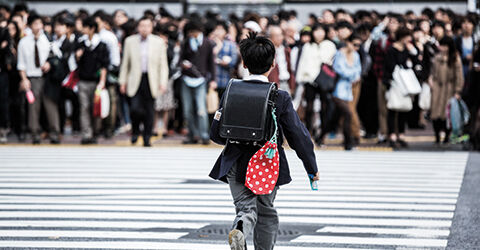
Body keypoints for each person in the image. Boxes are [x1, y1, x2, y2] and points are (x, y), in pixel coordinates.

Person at [209, 32, 319, 250]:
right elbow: (299, 136)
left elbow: (216, 134)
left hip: (235, 161)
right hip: (266, 163)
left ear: (244, 63)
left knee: (245, 208)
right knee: (266, 212)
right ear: (273, 64)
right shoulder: (280, 97)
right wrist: (311, 168)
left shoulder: (231, 91)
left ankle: (240, 228)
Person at [119, 16, 169, 147]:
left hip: (152, 80)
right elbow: (125, 64)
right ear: (138, 27)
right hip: (134, 79)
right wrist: (122, 82)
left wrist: (163, 82)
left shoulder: (158, 42)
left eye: (147, 26)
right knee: (134, 109)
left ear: (151, 27)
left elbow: (163, 65)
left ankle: (147, 137)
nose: (144, 29)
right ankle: (135, 131)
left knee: (149, 110)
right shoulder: (130, 41)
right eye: (142, 26)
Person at [17, 13, 61, 144]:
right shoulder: (24, 42)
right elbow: (21, 64)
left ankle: (54, 132)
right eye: (35, 24)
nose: (38, 27)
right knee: (33, 107)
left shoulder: (48, 40)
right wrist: (24, 79)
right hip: (32, 77)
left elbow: (58, 57)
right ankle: (35, 133)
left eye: (40, 23)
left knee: (50, 105)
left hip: (47, 78)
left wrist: (50, 63)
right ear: (30, 26)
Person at [318, 34, 362, 150]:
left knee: (335, 117)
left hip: (348, 91)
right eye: (355, 44)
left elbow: (358, 70)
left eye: (359, 45)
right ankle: (348, 142)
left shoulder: (356, 55)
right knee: (348, 114)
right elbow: (340, 70)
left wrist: (353, 75)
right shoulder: (340, 54)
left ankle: (321, 136)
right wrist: (352, 75)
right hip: (337, 90)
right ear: (348, 42)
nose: (356, 47)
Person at [295, 23, 337, 135]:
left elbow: (330, 63)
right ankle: (309, 131)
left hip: (324, 80)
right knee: (309, 107)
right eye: (316, 31)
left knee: (324, 107)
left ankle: (322, 133)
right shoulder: (307, 46)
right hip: (309, 80)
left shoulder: (330, 45)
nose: (319, 33)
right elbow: (302, 63)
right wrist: (300, 79)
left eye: (321, 31)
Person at [179, 20, 216, 145]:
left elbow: (212, 63)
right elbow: (180, 59)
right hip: (186, 79)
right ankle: (192, 134)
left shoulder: (207, 43)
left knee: (201, 110)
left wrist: (213, 80)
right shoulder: (185, 43)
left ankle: (204, 135)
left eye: (193, 32)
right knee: (187, 110)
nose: (191, 34)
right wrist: (183, 65)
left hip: (201, 79)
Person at [75, 17, 109, 145]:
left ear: (92, 29)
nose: (83, 30)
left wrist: (102, 81)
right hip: (83, 81)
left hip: (96, 82)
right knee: (84, 107)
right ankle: (86, 134)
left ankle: (95, 132)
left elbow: (104, 65)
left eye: (85, 27)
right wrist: (77, 57)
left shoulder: (101, 45)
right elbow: (74, 63)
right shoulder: (80, 43)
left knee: (96, 108)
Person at [383, 27, 416, 148]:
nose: (409, 39)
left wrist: (413, 51)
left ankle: (401, 134)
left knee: (403, 109)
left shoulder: (407, 48)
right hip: (395, 82)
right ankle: (392, 134)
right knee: (392, 108)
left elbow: (415, 60)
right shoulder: (392, 49)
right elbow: (390, 66)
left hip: (405, 83)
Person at [429, 36, 463, 145]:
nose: (442, 48)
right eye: (441, 45)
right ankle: (437, 135)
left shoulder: (455, 58)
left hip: (449, 88)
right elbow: (432, 72)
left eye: (444, 46)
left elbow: (459, 76)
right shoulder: (437, 57)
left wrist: (458, 91)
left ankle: (446, 136)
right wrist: (431, 81)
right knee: (435, 114)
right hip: (437, 88)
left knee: (447, 114)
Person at [267, 25, 296, 94]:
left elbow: (290, 68)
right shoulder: (268, 52)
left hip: (286, 83)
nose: (279, 38)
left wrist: (292, 85)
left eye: (281, 35)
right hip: (273, 84)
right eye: (276, 36)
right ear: (270, 38)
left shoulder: (286, 50)